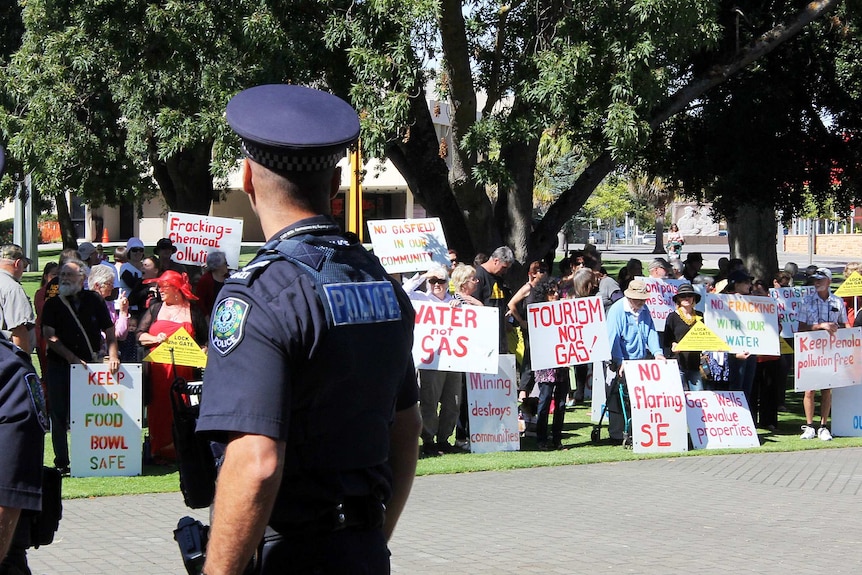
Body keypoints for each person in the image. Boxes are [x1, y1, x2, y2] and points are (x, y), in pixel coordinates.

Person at [196, 84, 420, 574]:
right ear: (336, 181)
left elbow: (255, 463)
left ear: (248, 178)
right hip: (362, 550)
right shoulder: (381, 284)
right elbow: (407, 429)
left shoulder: (258, 295)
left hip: (288, 554)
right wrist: (369, 538)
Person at [40, 259, 119, 475]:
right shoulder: (52, 304)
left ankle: (86, 458)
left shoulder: (94, 300)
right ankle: (62, 461)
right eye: (62, 274)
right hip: (60, 366)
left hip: (89, 368)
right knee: (58, 414)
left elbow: (109, 330)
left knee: (88, 413)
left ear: (82, 278)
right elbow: (50, 336)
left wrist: (113, 355)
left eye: (69, 275)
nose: (63, 278)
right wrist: (71, 358)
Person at [137, 270, 207, 462]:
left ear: (177, 289)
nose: (160, 291)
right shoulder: (155, 309)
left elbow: (205, 340)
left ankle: (183, 450)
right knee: (159, 409)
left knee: (181, 409)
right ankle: (158, 450)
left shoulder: (193, 311)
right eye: (159, 287)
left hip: (184, 373)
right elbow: (139, 335)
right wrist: (154, 338)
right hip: (158, 372)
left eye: (164, 287)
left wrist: (204, 350)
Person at [402, 266, 460, 456]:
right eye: (433, 281)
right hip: (431, 360)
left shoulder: (454, 301)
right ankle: (429, 439)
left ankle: (444, 439)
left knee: (453, 401)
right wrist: (424, 275)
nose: (436, 285)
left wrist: (458, 307)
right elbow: (404, 291)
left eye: (440, 281)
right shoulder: (422, 299)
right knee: (429, 401)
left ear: (447, 283)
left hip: (454, 358)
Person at [799, 267, 849, 440]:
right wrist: (821, 326)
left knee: (827, 389)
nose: (816, 282)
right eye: (815, 279)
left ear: (828, 281)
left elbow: (845, 324)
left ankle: (823, 426)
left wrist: (840, 330)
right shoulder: (806, 301)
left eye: (820, 279)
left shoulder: (837, 302)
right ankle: (809, 425)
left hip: (831, 350)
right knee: (809, 389)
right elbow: (801, 327)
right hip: (811, 350)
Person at [531, 281, 569, 450]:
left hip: (562, 364)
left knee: (561, 403)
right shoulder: (539, 315)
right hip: (546, 365)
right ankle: (541, 439)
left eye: (557, 292)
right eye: (551, 293)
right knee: (545, 401)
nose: (555, 296)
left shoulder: (564, 313)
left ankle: (557, 439)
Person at [507, 261, 548, 401]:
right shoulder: (527, 288)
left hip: (543, 329)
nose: (544, 273)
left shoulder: (545, 289)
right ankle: (523, 391)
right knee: (529, 358)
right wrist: (521, 321)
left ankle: (536, 389)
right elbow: (511, 304)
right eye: (541, 271)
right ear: (533, 273)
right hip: (530, 329)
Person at [662, 283, 704, 391]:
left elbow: (705, 336)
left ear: (694, 298)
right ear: (678, 299)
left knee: (699, 396)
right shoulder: (672, 317)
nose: (686, 298)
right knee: (679, 395)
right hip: (678, 363)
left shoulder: (700, 316)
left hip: (695, 363)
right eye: (683, 296)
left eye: (689, 295)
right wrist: (673, 346)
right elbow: (666, 340)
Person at [474, 246, 514, 353]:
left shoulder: (498, 277)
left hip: (500, 331)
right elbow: (473, 303)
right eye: (504, 267)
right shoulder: (479, 275)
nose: (505, 271)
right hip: (485, 332)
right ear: (496, 261)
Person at [0, 244, 36, 353]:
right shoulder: (13, 288)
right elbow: (19, 330)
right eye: (24, 266)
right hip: (6, 358)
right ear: (18, 263)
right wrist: (23, 362)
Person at [194, 250, 230, 317]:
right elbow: (200, 302)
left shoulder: (230, 278)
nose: (227, 265)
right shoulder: (205, 280)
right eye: (225, 263)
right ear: (218, 265)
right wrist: (207, 318)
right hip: (211, 316)